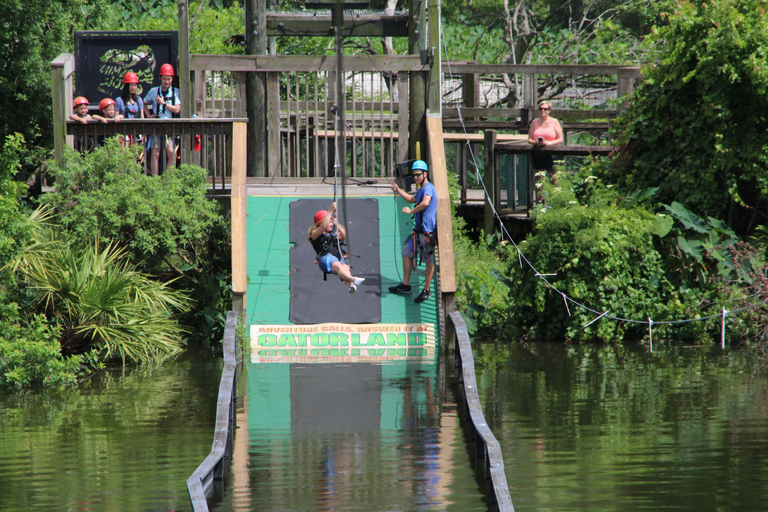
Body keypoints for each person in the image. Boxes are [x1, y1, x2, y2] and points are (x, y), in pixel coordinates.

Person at [388, 160, 437, 304]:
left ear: (425, 174)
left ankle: (426, 290)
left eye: (418, 175)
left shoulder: (428, 188)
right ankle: (406, 285)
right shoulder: (421, 189)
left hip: (427, 231)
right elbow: (412, 199)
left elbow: (425, 202)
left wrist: (411, 211)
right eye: (414, 175)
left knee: (428, 260)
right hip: (418, 230)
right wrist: (398, 190)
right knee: (406, 252)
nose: (415, 177)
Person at [308, 202, 365, 294]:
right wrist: (330, 210)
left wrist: (337, 224)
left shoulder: (333, 234)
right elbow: (324, 226)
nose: (330, 225)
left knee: (345, 269)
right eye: (329, 222)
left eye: (331, 223)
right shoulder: (315, 234)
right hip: (326, 258)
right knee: (338, 266)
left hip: (338, 257)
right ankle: (353, 279)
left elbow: (345, 236)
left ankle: (351, 285)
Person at [143, 63, 181, 176]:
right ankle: (155, 181)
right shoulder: (154, 91)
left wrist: (163, 104)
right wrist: (149, 116)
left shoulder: (176, 92)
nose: (167, 82)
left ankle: (167, 180)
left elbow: (177, 109)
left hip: (170, 127)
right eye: (165, 79)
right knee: (156, 154)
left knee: (172, 154)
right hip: (157, 126)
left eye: (169, 79)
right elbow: (144, 103)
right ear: (160, 78)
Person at [527, 100, 564, 202]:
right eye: (541, 109)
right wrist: (536, 143)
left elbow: (560, 139)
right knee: (539, 181)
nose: (543, 111)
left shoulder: (554, 122)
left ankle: (555, 202)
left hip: (551, 153)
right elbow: (529, 139)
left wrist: (549, 143)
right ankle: (539, 203)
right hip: (538, 153)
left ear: (549, 110)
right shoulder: (534, 122)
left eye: (545, 109)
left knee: (554, 180)